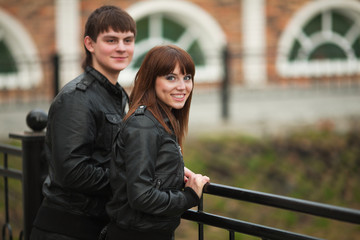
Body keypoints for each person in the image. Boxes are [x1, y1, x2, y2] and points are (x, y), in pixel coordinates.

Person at [30, 5, 136, 240]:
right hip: (66, 229)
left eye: (128, 40)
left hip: (96, 226)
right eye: (111, 40)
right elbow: (73, 172)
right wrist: (134, 179)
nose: (121, 48)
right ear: (90, 44)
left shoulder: (116, 94)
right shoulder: (77, 97)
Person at [106, 45, 210, 240]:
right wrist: (190, 196)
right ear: (151, 80)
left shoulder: (160, 119)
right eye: (171, 77)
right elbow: (141, 196)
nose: (182, 86)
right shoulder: (143, 125)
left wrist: (175, 170)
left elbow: (144, 172)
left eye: (187, 77)